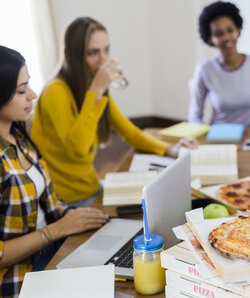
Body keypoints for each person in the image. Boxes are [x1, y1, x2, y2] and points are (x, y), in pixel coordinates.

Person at [31, 17, 198, 207]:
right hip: (66, 200)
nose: (104, 60)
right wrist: (96, 91)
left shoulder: (92, 88)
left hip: (90, 187)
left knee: (158, 198)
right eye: (93, 53)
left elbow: (129, 132)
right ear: (73, 55)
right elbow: (78, 150)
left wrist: (169, 149)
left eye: (107, 50)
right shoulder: (56, 91)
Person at [0, 45, 110, 298]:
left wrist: (68, 214)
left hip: (51, 255)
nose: (33, 95)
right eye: (22, 89)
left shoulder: (19, 137)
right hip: (16, 285)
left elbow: (47, 201)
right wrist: (56, 230)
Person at [188, 1, 250, 129]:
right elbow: (195, 116)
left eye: (230, 30)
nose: (226, 37)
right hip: (218, 138)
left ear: (237, 30)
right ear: (210, 39)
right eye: (219, 34)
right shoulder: (205, 69)